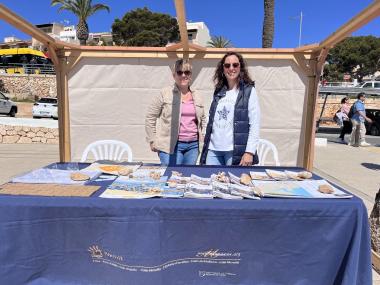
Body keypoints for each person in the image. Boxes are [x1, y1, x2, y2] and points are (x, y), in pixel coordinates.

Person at [200, 52, 260, 166]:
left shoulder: (249, 91)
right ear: (223, 69)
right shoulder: (218, 91)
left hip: (234, 151)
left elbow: (255, 123)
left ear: (240, 67)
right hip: (213, 150)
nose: (231, 68)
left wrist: (249, 152)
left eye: (235, 65)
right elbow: (213, 117)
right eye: (227, 65)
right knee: (211, 182)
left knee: (233, 183)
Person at [145, 59, 206, 165]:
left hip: (193, 146)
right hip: (169, 146)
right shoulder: (165, 93)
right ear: (174, 75)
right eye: (179, 72)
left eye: (186, 72)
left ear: (190, 75)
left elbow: (203, 119)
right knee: (171, 177)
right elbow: (150, 116)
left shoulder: (197, 95)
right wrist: (152, 139)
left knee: (186, 179)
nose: (183, 75)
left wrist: (203, 136)